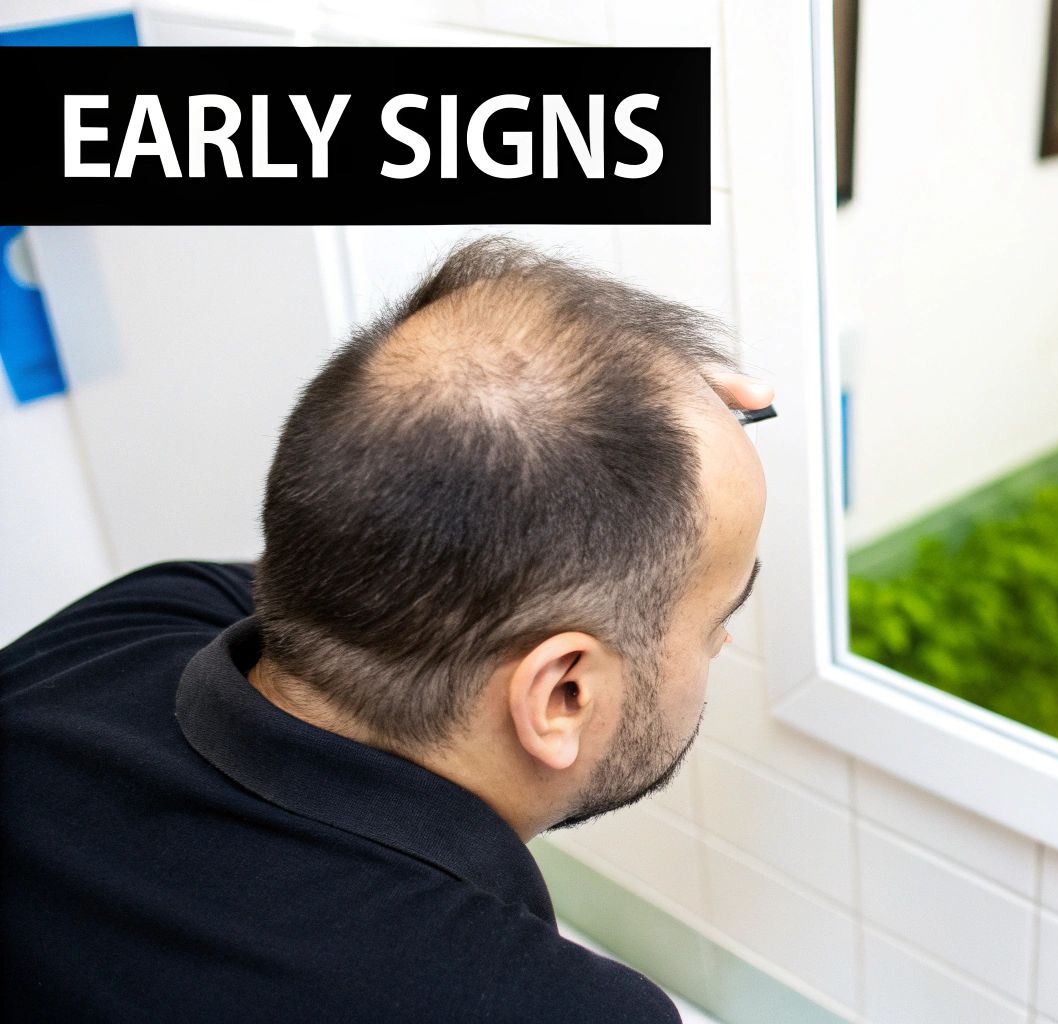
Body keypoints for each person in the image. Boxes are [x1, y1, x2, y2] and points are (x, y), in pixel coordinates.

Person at [0, 237, 773, 1021]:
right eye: (717, 621)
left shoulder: (128, 625)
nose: (724, 645)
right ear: (562, 693)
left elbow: (362, 545)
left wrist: (607, 414)